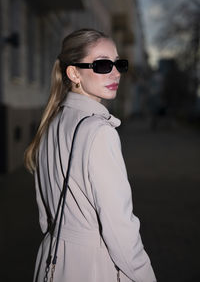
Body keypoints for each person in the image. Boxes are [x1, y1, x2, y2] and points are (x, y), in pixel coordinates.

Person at [25, 28, 156, 282]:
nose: (116, 72)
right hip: (93, 266)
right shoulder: (99, 132)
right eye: (103, 64)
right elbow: (120, 228)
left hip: (51, 258)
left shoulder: (50, 123)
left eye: (118, 63)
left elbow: (45, 215)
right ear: (74, 73)